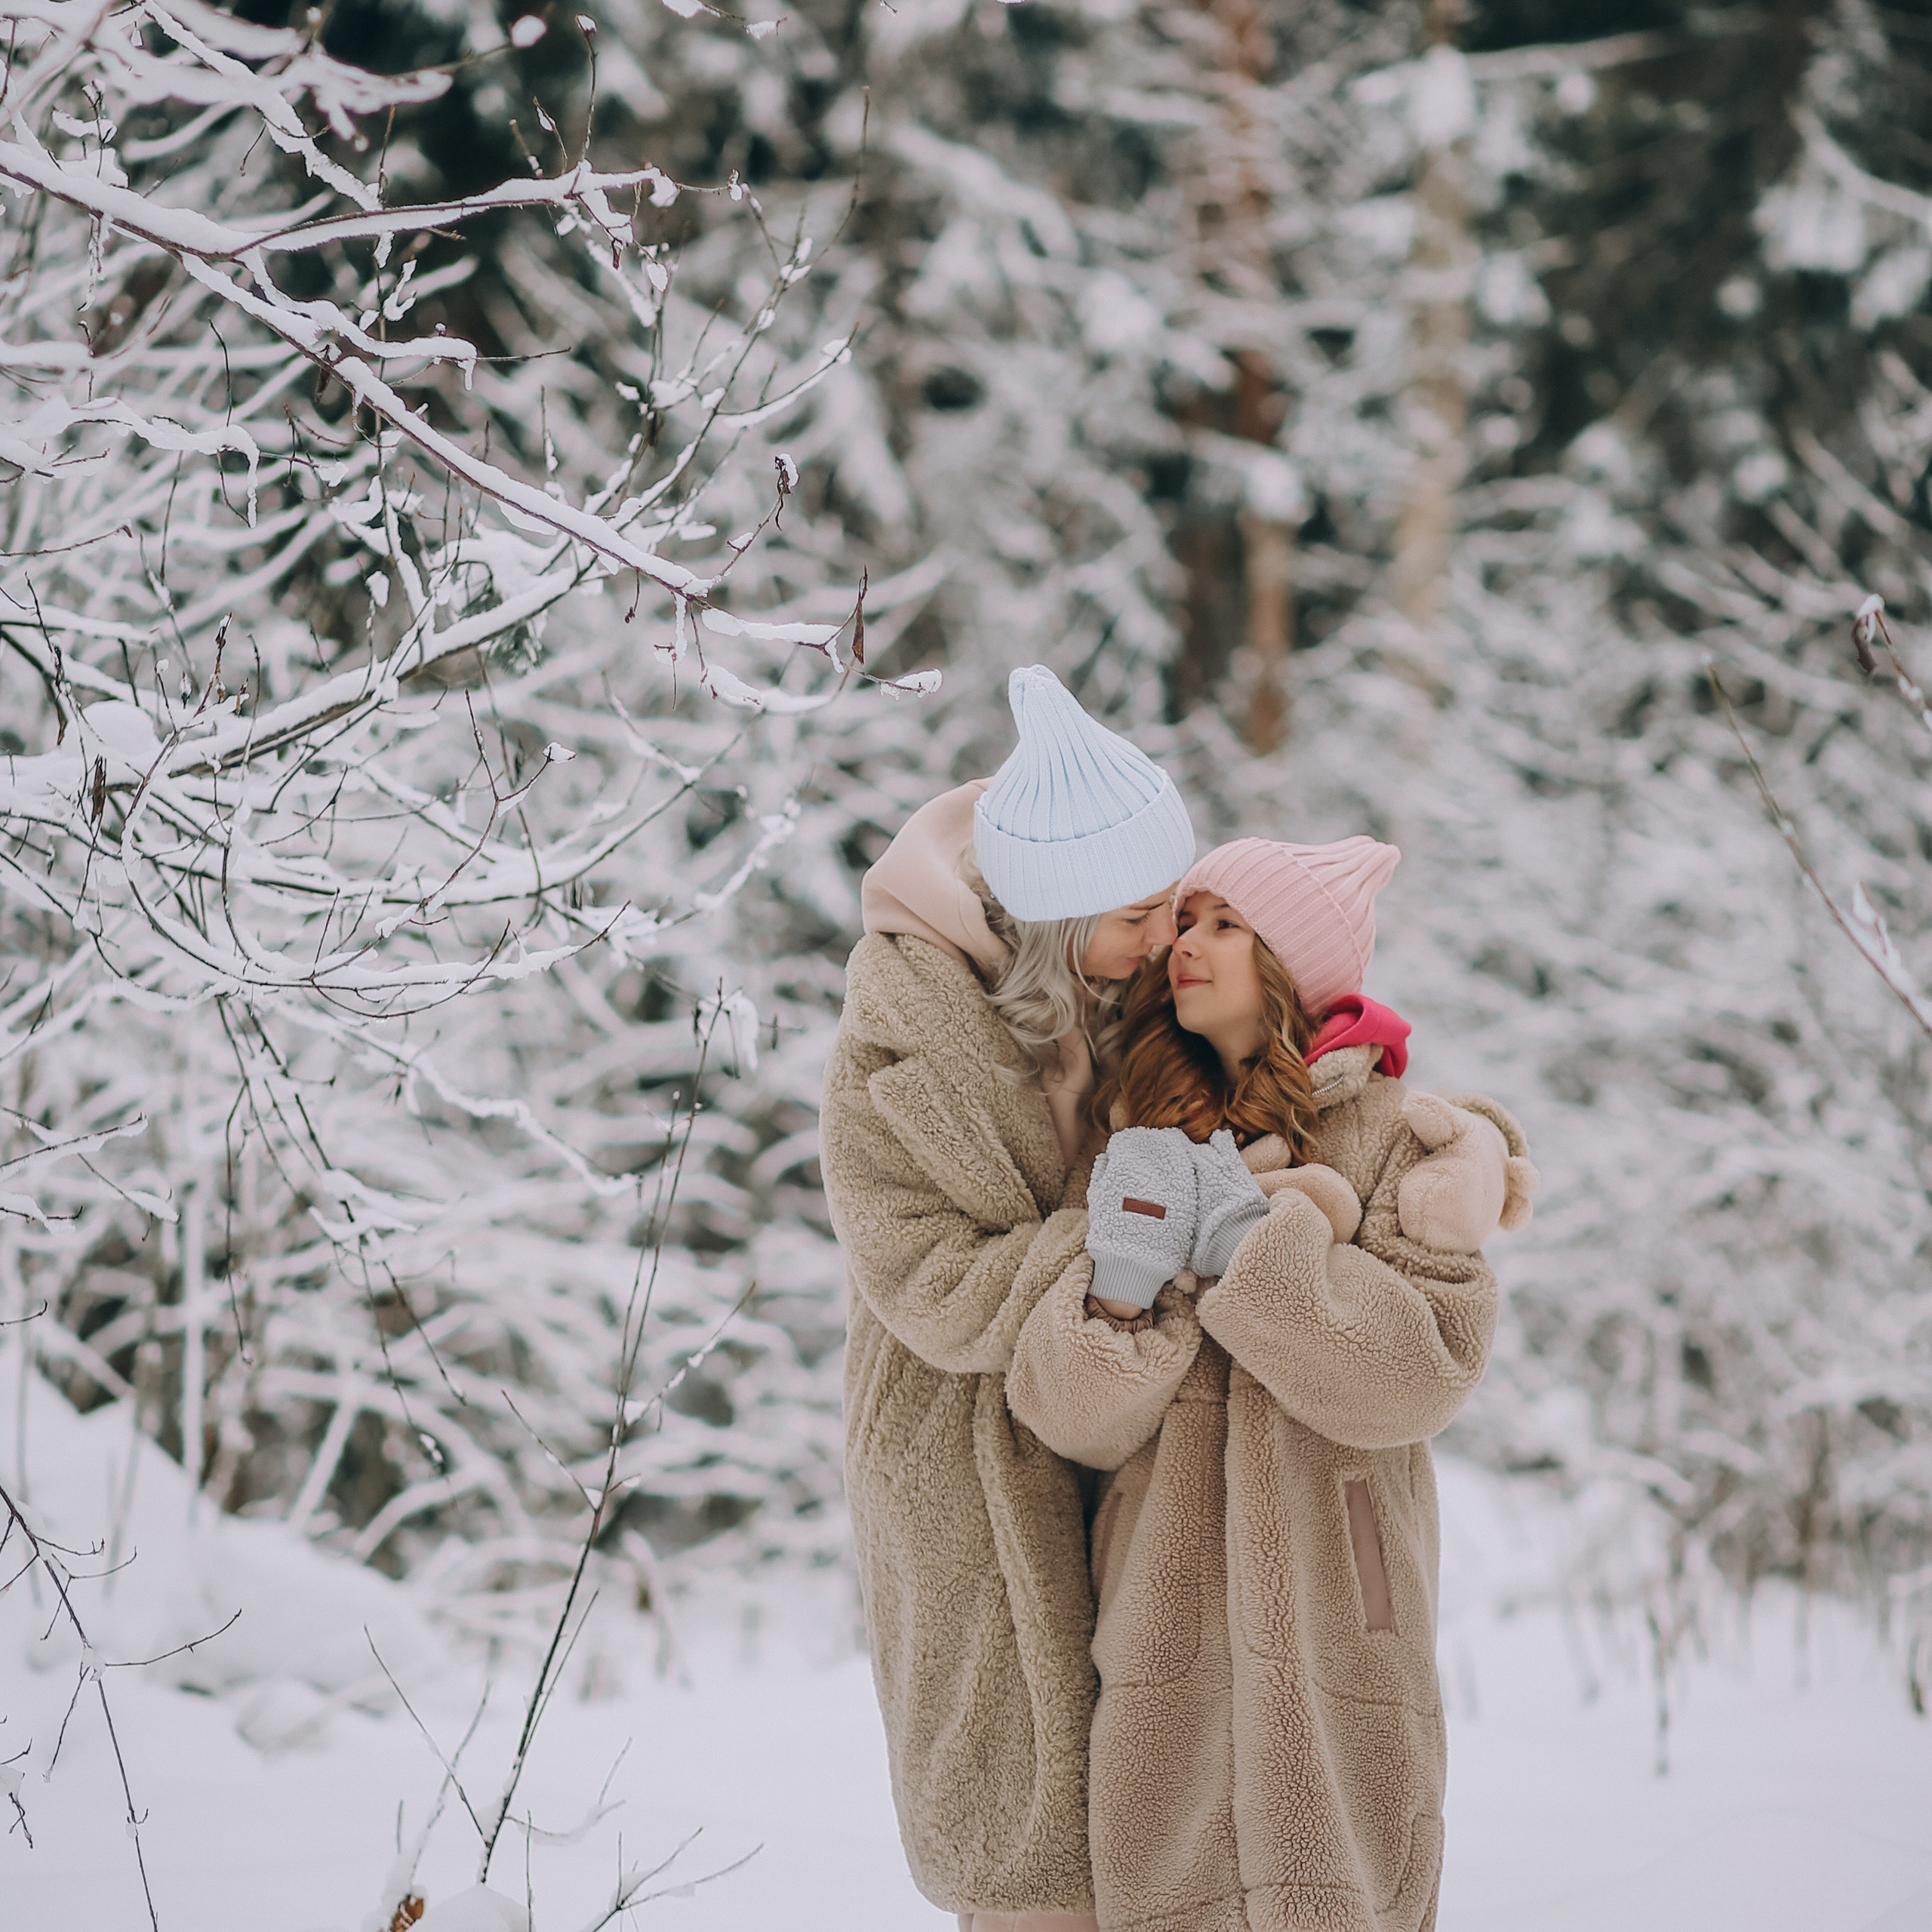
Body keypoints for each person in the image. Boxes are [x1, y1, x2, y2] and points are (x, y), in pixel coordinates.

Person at [1006, 835, 1536, 1932]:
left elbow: (1421, 1374)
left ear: (1290, 960)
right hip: (1157, 1628)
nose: (1184, 945)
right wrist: (1117, 1294)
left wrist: (1257, 1248)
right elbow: (1068, 1423)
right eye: (1182, 921)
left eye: (1222, 924)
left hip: (1342, 1625)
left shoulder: (1400, 1138)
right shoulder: (1131, 1134)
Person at [820, 665, 1197, 1931]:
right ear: (1062, 912)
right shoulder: (901, 1031)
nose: (1169, 936)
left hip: (1108, 1413)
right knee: (1022, 1834)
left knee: (1148, 1811)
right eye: (1142, 912)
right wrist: (1113, 1246)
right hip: (954, 1440)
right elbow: (921, 1275)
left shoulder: (1128, 997)